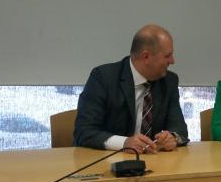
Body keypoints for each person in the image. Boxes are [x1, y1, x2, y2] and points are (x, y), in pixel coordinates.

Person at [74, 24, 188, 153]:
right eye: (167, 56)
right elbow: (84, 132)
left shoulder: (169, 81)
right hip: (108, 159)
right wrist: (124, 143)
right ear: (146, 57)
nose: (172, 61)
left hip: (153, 159)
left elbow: (179, 128)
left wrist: (172, 137)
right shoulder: (103, 78)